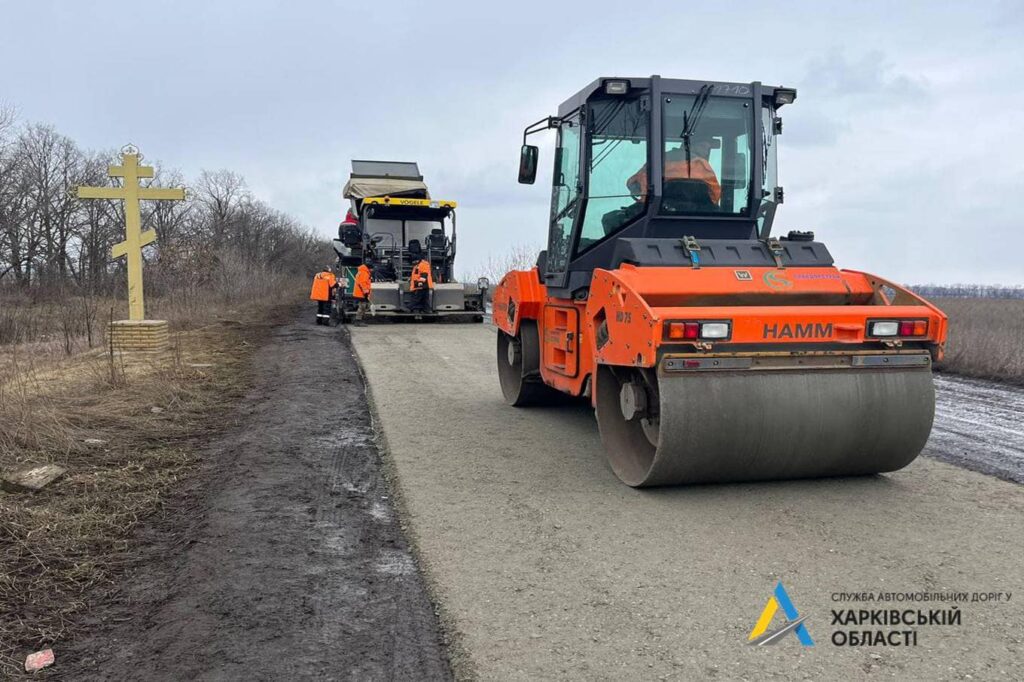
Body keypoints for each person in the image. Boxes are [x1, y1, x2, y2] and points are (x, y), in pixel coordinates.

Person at [625, 136, 721, 204]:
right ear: (690, 146)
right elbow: (715, 193)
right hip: (695, 212)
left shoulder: (659, 159)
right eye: (703, 147)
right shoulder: (701, 165)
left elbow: (634, 183)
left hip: (656, 209)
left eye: (708, 149)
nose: (706, 152)